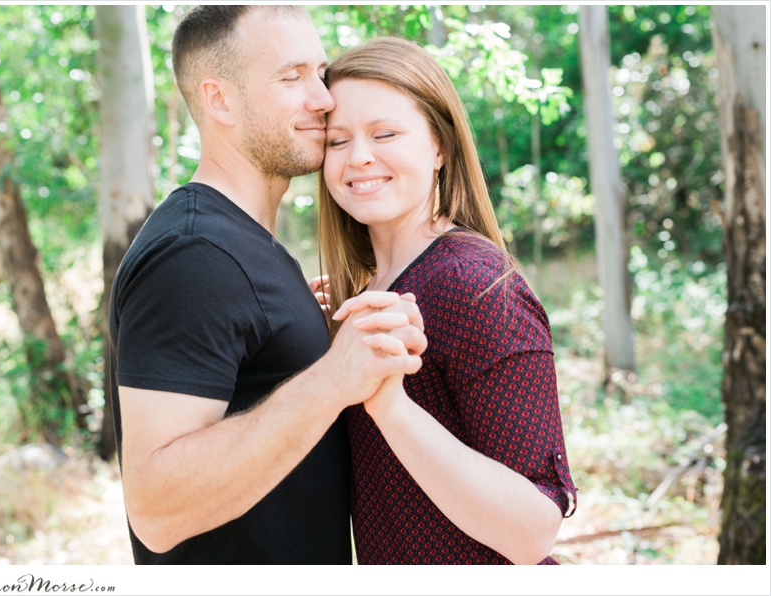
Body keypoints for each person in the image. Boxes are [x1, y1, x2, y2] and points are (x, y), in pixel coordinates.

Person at [108, 7, 427, 565]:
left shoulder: (241, 247)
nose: (324, 98)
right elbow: (157, 510)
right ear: (220, 100)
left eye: (320, 72)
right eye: (291, 76)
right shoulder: (195, 254)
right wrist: (332, 378)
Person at [318, 36, 578, 565]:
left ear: (440, 146)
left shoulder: (476, 285)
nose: (359, 156)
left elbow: (533, 531)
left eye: (385, 133)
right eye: (336, 141)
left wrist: (388, 404)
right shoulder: (368, 295)